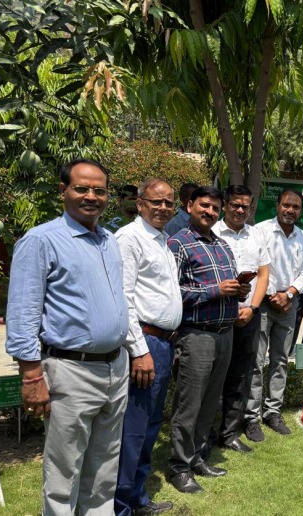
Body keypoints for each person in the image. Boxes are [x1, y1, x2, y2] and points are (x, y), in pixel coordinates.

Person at [6, 158, 129, 515]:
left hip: (115, 367)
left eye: (99, 190)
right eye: (82, 188)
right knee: (64, 472)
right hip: (70, 371)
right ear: (63, 191)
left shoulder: (109, 240)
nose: (91, 197)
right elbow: (23, 313)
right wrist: (31, 376)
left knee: (104, 467)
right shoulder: (41, 240)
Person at [166, 186, 250, 494]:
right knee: (189, 406)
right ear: (189, 205)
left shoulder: (222, 245)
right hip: (196, 336)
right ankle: (178, 467)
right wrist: (217, 290)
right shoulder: (178, 243)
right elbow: (171, 293)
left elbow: (226, 287)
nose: (210, 212)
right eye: (204, 206)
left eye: (215, 208)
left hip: (225, 334)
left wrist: (239, 291)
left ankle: (198, 457)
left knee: (209, 404)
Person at [114, 179, 182, 516]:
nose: (163, 208)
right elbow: (123, 299)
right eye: (156, 201)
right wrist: (139, 350)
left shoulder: (162, 241)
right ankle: (119, 505)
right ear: (140, 203)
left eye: (169, 202)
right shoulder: (129, 238)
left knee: (150, 426)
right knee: (133, 429)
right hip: (144, 344)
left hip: (163, 344)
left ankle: (137, 498)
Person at [244, 189, 303, 441]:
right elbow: (256, 267)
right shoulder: (260, 231)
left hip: (289, 305)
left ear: (300, 211)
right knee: (256, 361)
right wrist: (274, 295)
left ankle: (272, 412)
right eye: (286, 205)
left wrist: (289, 294)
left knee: (280, 359)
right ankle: (251, 417)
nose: (290, 210)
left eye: (296, 207)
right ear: (277, 205)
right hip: (263, 304)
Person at [212, 185, 270, 453]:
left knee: (240, 376)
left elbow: (263, 274)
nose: (239, 210)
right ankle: (205, 433)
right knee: (213, 377)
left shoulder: (256, 235)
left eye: (245, 206)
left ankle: (229, 433)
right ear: (225, 205)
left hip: (248, 316)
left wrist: (253, 308)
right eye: (235, 204)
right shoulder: (211, 232)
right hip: (216, 317)